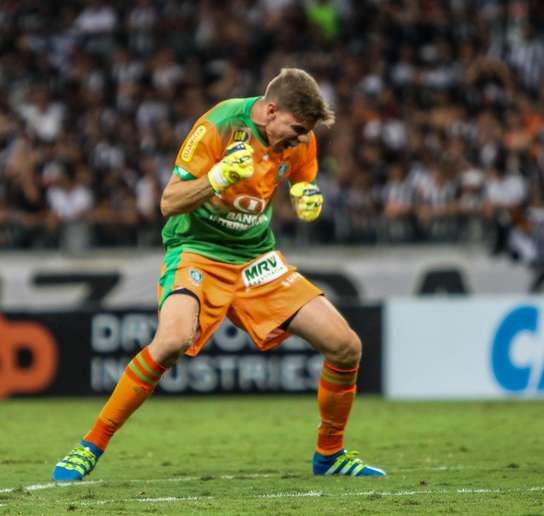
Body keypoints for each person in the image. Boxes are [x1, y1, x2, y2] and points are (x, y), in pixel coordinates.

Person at [51, 68, 385, 480]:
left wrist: (305, 191)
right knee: (172, 340)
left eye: (306, 133)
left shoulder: (301, 136)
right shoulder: (219, 125)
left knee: (346, 346)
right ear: (270, 110)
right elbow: (169, 202)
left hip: (254, 256)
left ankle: (330, 455)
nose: (301, 139)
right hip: (198, 251)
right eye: (296, 129)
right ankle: (90, 445)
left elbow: (303, 170)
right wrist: (216, 178)